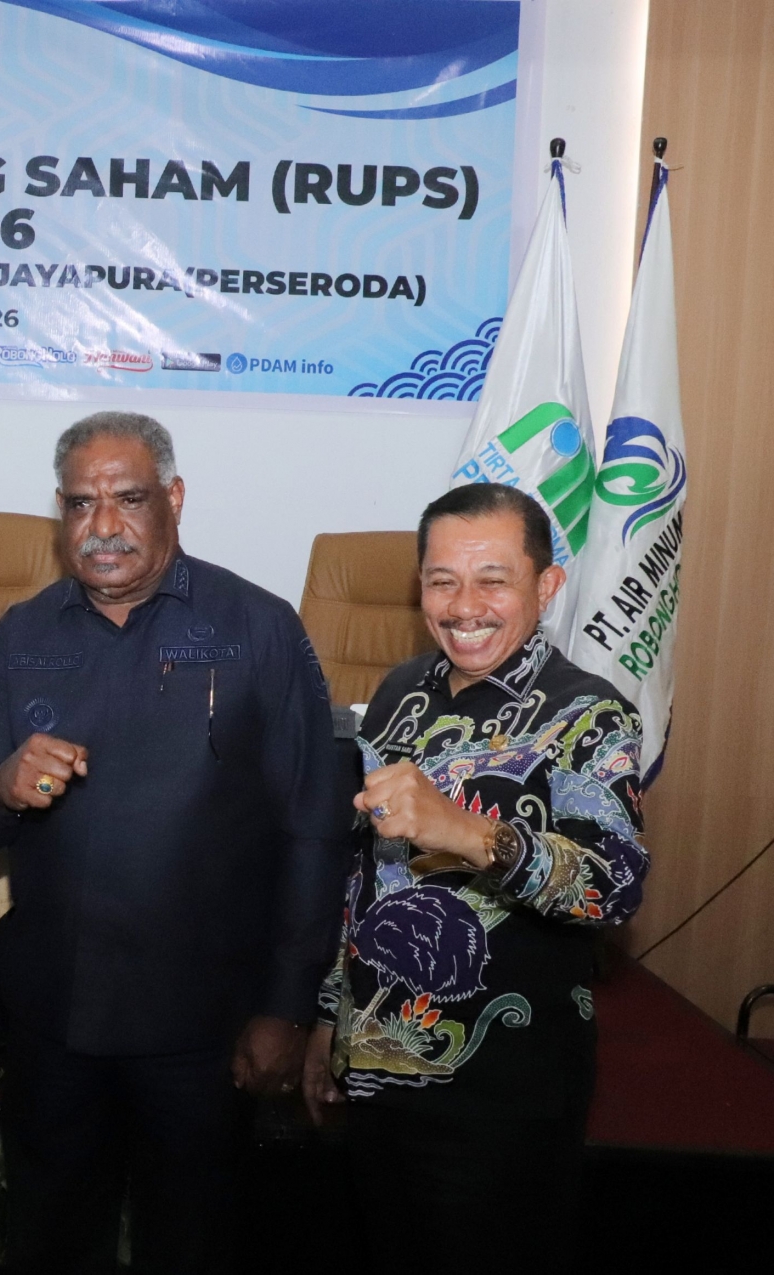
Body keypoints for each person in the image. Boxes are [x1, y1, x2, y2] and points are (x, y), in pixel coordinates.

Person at [0, 411, 344, 1273]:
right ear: (59, 510)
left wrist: (287, 1005)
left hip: (206, 1025)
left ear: (174, 498)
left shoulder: (258, 626)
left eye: (127, 499)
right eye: (81, 504)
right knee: (51, 1241)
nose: (104, 525)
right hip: (55, 1021)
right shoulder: (24, 632)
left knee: (192, 1241)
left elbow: (314, 827)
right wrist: (3, 783)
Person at [302, 482, 648, 1274]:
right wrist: (330, 1019)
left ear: (546, 586)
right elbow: (363, 877)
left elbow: (615, 885)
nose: (464, 606)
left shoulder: (588, 714)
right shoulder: (398, 693)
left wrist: (468, 832)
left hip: (504, 1089)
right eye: (442, 580)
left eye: (493, 580)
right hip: (381, 1068)